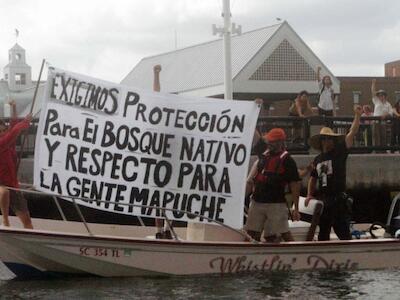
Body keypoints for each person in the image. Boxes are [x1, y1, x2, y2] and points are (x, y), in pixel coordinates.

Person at [305, 105, 362, 241]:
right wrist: (309, 194)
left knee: (342, 230)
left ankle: (349, 255)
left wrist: (357, 116)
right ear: (320, 141)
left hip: (338, 199)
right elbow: (313, 178)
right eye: (323, 139)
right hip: (323, 199)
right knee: (323, 232)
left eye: (329, 138)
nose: (326, 141)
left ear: (333, 140)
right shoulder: (318, 159)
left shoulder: (339, 152)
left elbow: (352, 132)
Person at [245, 128, 301, 242]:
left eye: (273, 141)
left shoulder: (288, 160)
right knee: (250, 234)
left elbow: (294, 184)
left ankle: (296, 251)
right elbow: (256, 136)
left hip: (276, 204)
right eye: (269, 141)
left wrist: (296, 208)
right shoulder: (264, 154)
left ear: (280, 142)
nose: (269, 143)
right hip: (257, 201)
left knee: (279, 234)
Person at [0, 100, 33, 228]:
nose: (2, 133)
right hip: (1, 184)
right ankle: (5, 220)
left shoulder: (10, 143)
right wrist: (25, 122)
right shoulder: (2, 143)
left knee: (27, 222)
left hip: (14, 186)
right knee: (4, 192)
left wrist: (14, 107)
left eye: (3, 130)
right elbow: (13, 132)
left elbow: (13, 127)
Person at [152, 64, 172, 239]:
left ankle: (167, 229)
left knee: (172, 200)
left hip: (174, 165)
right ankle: (159, 231)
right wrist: (156, 74)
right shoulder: (157, 122)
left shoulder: (177, 125)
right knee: (158, 201)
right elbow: (156, 96)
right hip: (157, 164)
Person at [371, 79, 393, 147]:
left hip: (383, 122)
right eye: (379, 95)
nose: (381, 96)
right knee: (376, 136)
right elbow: (373, 92)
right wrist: (373, 83)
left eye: (382, 95)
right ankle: (376, 150)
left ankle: (383, 150)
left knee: (383, 136)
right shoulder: (376, 101)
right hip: (376, 121)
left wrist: (385, 114)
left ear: (385, 96)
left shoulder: (388, 104)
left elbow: (391, 112)